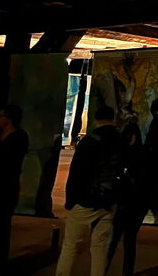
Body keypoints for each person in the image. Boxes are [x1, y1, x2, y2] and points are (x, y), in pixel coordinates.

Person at [57, 105, 125, 276]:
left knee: (71, 244)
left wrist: (70, 201)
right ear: (113, 119)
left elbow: (76, 173)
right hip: (109, 200)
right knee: (100, 244)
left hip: (86, 200)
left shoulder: (90, 141)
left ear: (96, 119)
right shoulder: (120, 140)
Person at [107, 122, 148, 276]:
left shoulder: (128, 154)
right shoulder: (141, 153)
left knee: (115, 239)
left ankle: (102, 269)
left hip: (128, 204)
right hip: (135, 205)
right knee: (128, 241)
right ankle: (126, 272)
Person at [0, 104, 29, 271]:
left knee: (2, 225)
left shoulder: (19, 137)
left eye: (1, 116)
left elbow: (11, 162)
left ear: (8, 118)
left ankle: (1, 261)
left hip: (7, 186)